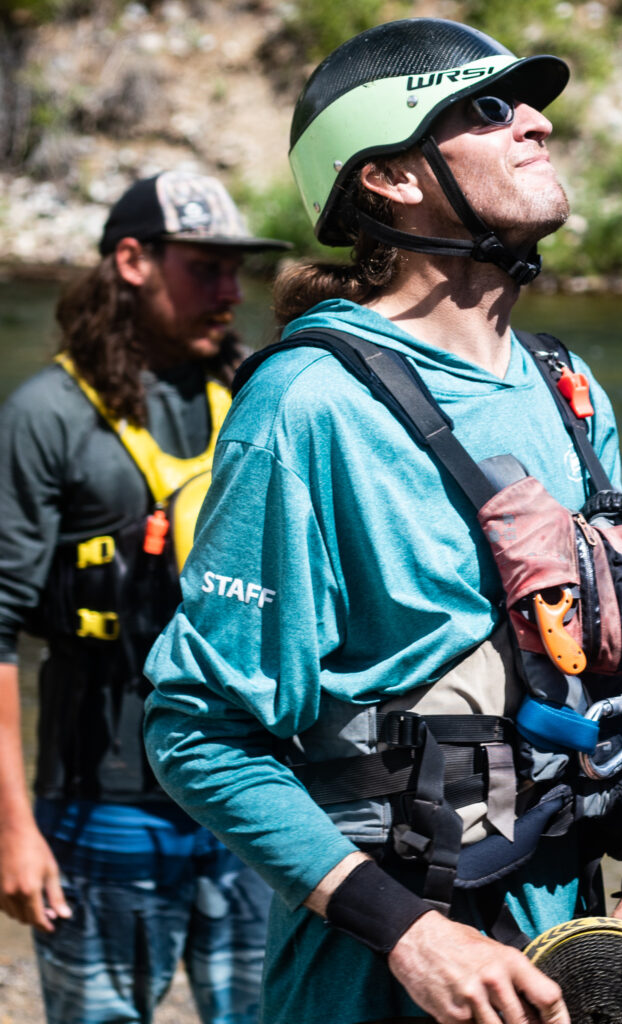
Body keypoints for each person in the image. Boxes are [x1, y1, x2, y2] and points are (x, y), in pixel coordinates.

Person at [143, 19, 622, 1024]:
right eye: (488, 108)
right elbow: (198, 732)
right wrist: (409, 932)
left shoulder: (567, 388)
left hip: (564, 939)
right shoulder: (306, 410)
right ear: (389, 178)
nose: (537, 123)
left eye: (530, 102)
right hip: (375, 971)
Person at [0, 170, 290, 1024]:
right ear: (132, 260)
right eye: (206, 268)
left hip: (254, 800)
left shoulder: (256, 395)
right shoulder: (46, 418)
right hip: (103, 814)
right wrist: (14, 831)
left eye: (238, 272)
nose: (232, 292)